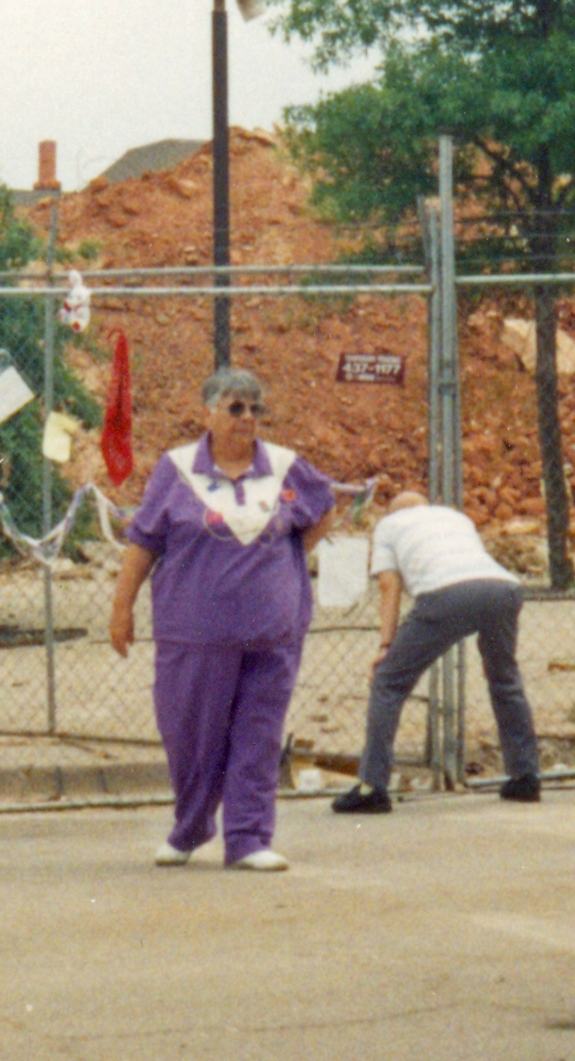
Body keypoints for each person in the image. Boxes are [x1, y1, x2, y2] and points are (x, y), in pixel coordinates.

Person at [107, 366, 336, 870]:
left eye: (255, 408)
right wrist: (121, 609)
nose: (247, 418)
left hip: (271, 633)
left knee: (259, 733)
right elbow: (144, 540)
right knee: (191, 733)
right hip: (194, 634)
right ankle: (190, 827)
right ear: (207, 413)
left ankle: (249, 838)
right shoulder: (177, 469)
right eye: (235, 408)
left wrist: (287, 560)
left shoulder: (284, 466)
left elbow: (322, 508)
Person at [334, 480, 540, 811]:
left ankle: (371, 787)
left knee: (388, 681)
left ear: (393, 511)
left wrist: (386, 645)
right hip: (503, 590)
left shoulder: (388, 525)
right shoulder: (454, 517)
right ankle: (525, 776)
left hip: (445, 595)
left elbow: (389, 586)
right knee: (504, 679)